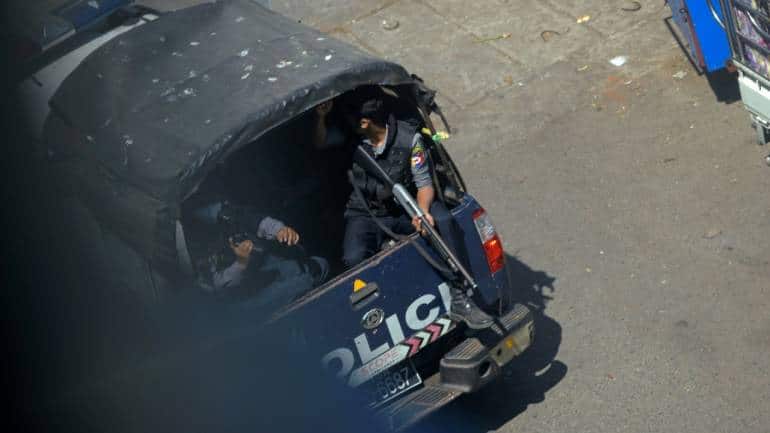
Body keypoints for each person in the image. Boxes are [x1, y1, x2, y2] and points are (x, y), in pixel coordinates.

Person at [315, 96, 493, 329]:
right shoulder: (353, 140)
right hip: (365, 211)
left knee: (439, 226)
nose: (348, 124)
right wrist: (320, 118)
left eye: (353, 121)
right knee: (353, 258)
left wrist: (422, 212)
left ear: (366, 122)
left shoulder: (410, 141)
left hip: (400, 207)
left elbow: (424, 184)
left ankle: (459, 295)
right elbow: (320, 143)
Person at [193, 201, 328, 309]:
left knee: (309, 265)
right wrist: (241, 263)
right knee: (268, 298)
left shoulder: (210, 213)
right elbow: (219, 287)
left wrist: (279, 230)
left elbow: (247, 217)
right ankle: (301, 288)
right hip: (241, 295)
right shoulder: (192, 262)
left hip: (261, 262)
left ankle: (305, 271)